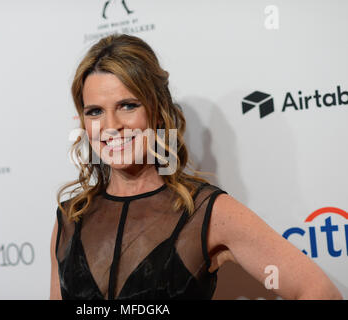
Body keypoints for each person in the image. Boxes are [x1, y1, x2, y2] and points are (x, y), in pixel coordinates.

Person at [50, 34, 342, 300]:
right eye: (95, 112)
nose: (111, 126)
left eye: (128, 105)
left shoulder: (204, 211)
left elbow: (319, 292)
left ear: (158, 112)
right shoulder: (71, 218)